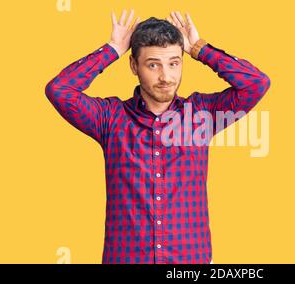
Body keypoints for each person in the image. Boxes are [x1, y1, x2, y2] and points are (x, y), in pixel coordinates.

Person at [45, 9, 271, 264]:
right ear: (134, 66)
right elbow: (60, 90)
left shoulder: (203, 115)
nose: (166, 76)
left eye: (174, 63)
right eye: (153, 64)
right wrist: (112, 49)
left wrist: (198, 48)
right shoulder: (109, 118)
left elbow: (257, 83)